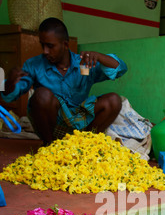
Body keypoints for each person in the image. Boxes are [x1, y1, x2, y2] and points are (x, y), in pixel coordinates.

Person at [0, 17, 127, 145]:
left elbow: (121, 69)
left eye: (50, 46)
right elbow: (10, 96)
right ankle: (49, 146)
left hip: (80, 122)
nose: (45, 51)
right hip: (52, 126)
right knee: (41, 94)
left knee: (114, 100)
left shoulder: (83, 64)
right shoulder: (34, 65)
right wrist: (10, 83)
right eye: (42, 45)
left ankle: (85, 144)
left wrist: (99, 56)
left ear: (65, 45)